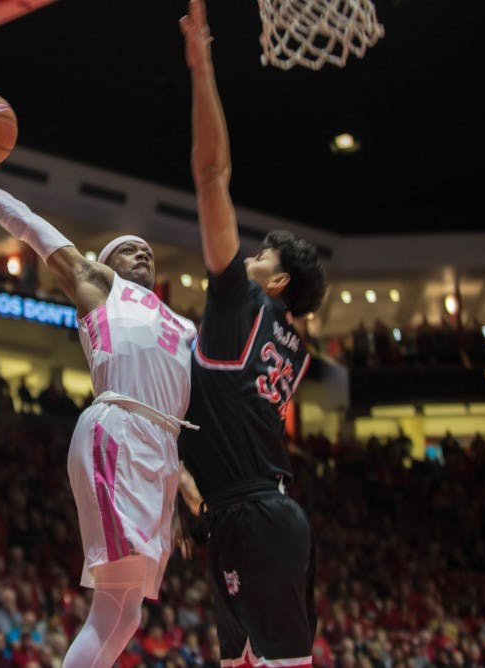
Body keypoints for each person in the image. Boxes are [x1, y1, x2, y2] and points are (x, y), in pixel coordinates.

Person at [0, 126, 197, 668]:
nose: (141, 253)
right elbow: (30, 225)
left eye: (147, 252)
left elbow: (187, 410)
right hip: (118, 429)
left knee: (127, 614)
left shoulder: (183, 326)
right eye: (128, 250)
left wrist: (182, 489)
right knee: (111, 605)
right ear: (106, 265)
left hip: (162, 449)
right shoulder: (101, 288)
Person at [177, 1, 329, 667]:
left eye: (262, 255)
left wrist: (202, 66)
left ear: (275, 282)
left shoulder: (240, 303)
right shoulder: (292, 348)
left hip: (252, 519)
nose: (248, 256)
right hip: (254, 516)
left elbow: (211, 174)